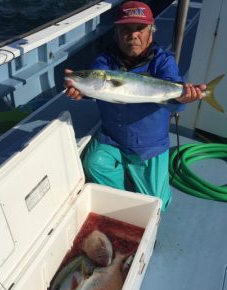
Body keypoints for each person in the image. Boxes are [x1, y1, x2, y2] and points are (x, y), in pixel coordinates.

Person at [64, 1, 206, 211]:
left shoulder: (163, 62)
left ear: (151, 31)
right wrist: (79, 88)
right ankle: (121, 198)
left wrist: (182, 98)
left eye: (140, 29)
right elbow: (96, 87)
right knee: (94, 164)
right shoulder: (104, 62)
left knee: (156, 203)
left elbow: (173, 97)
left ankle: (142, 189)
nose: (133, 35)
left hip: (149, 145)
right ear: (116, 33)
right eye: (126, 30)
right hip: (112, 139)